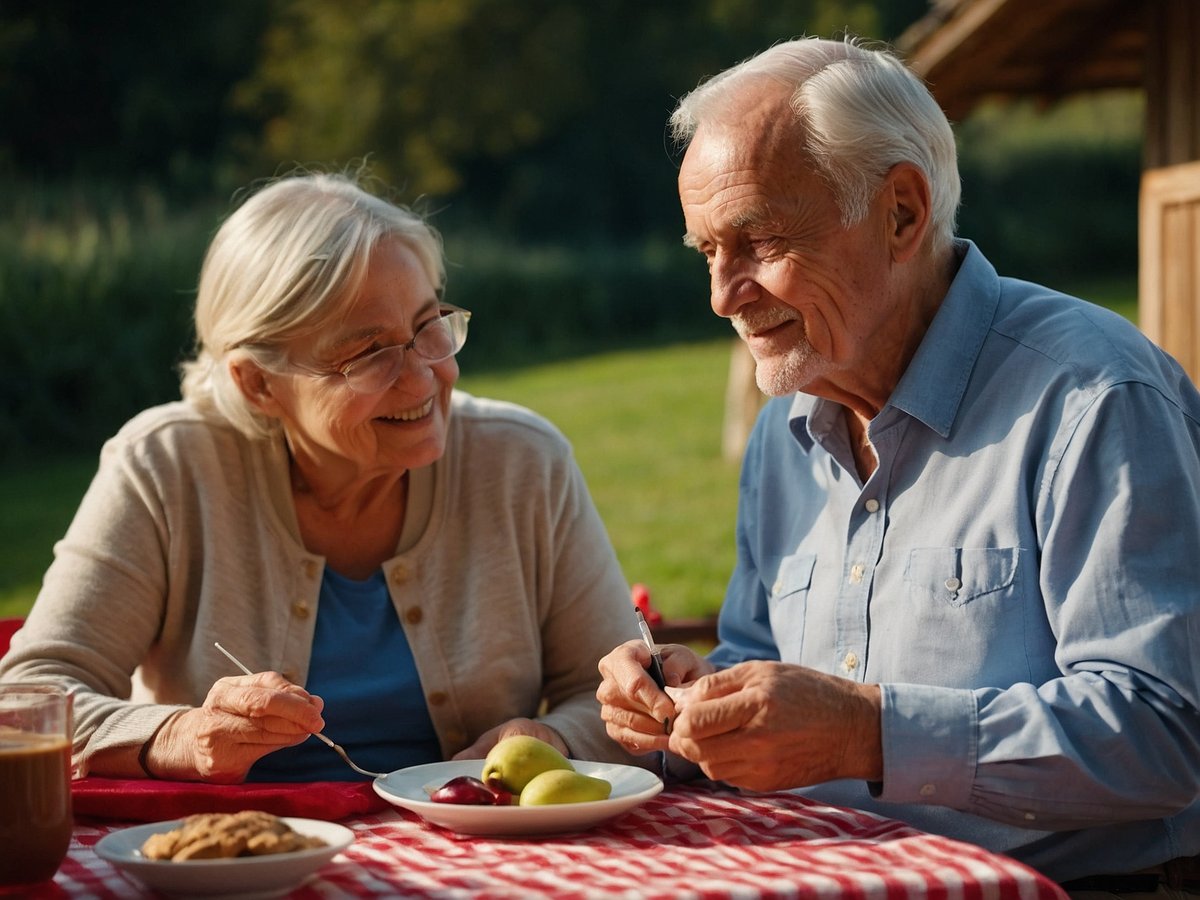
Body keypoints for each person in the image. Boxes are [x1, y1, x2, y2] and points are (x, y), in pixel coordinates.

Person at [596, 36, 1200, 890]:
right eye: (707, 252)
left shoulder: (1092, 397)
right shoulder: (786, 429)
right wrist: (688, 704)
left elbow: (1167, 734)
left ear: (902, 214)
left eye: (759, 239)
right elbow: (758, 660)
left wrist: (867, 734)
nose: (722, 295)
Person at [1, 170, 640, 784]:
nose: (424, 377)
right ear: (257, 383)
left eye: (428, 327)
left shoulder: (522, 462)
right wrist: (181, 737)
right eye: (369, 353)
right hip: (237, 846)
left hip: (476, 846)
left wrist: (553, 739)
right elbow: (27, 699)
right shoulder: (166, 468)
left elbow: (627, 695)